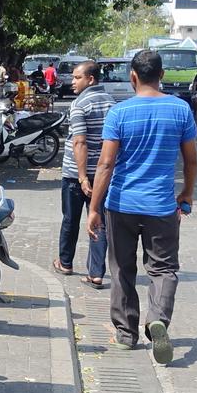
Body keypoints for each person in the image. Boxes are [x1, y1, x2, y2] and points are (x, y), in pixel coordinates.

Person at [87, 48, 197, 365]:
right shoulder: (180, 110)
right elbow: (191, 160)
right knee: (163, 269)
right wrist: (187, 194)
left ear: (132, 76)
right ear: (161, 75)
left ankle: (125, 334)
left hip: (121, 204)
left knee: (122, 268)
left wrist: (94, 208)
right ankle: (157, 319)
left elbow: (106, 164)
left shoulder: (119, 113)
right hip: (161, 207)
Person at [57, 59, 113, 284]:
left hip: (75, 174)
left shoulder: (80, 104)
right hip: (102, 174)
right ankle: (96, 273)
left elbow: (79, 142)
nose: (72, 82)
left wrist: (81, 177)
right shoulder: (112, 103)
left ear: (90, 79)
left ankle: (65, 262)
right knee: (97, 219)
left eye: (77, 78)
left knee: (70, 219)